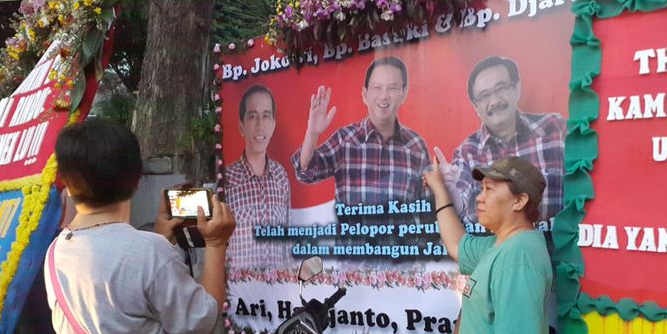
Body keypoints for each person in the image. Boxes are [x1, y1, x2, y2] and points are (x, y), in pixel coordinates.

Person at [46, 118, 235, 334]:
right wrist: (216, 244)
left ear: (64, 181)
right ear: (136, 180)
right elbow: (201, 323)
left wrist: (161, 238)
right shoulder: (148, 253)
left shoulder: (57, 251)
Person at [424, 155, 572, 334]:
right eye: (481, 189)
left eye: (490, 190)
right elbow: (457, 245)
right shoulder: (500, 245)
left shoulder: (519, 254)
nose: (480, 198)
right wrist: (440, 190)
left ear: (519, 201)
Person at [291, 56, 431, 207]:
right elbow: (306, 171)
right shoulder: (345, 140)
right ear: (365, 94)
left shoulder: (416, 146)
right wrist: (312, 133)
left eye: (392, 88)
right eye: (377, 88)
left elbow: (428, 205)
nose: (384, 96)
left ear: (404, 93)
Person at [441, 56, 565, 225]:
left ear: (516, 88)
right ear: (476, 106)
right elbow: (460, 204)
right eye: (484, 96)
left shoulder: (554, 128)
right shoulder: (467, 151)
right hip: (495, 251)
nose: (494, 101)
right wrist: (449, 189)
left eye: (500, 88)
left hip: (555, 250)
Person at [224, 84, 290, 270]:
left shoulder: (281, 177)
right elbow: (219, 246)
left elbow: (286, 243)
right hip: (240, 295)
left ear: (273, 125)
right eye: (253, 116)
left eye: (266, 116)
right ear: (241, 126)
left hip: (278, 293)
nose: (260, 125)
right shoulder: (227, 181)